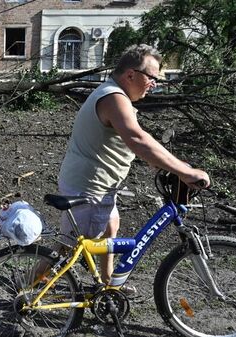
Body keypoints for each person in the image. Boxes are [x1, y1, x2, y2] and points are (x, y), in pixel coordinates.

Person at [57, 44, 210, 287]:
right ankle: (25, 293)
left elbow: (132, 139)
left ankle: (108, 284)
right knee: (65, 253)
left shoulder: (113, 93)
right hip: (90, 189)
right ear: (131, 74)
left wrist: (167, 163)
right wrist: (185, 171)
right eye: (152, 78)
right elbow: (137, 139)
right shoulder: (114, 98)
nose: (155, 84)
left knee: (110, 228)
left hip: (96, 184)